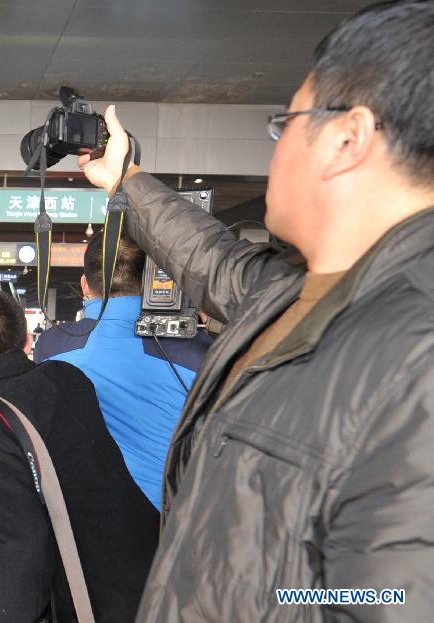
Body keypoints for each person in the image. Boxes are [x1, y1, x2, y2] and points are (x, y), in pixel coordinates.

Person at [78, 3, 434, 620]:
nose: (276, 144)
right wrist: (125, 180)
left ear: (348, 139)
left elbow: (389, 599)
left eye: (286, 121)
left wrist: (266, 598)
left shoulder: (417, 356)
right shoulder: (299, 292)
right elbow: (210, 259)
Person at [0, 289, 158, 622]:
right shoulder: (68, 378)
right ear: (28, 340)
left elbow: (18, 549)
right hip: (150, 572)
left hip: (87, 602)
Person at [34, 230, 211, 511]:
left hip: (79, 523)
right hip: (171, 523)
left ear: (84, 285)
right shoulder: (199, 352)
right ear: (154, 283)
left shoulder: (50, 347)